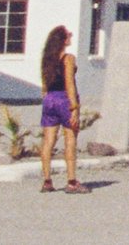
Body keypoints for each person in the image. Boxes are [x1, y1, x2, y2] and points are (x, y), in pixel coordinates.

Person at [39, 24, 88, 194]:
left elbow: (44, 85)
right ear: (63, 40)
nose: (70, 37)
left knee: (48, 141)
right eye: (68, 35)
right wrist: (74, 107)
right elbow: (69, 83)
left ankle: (47, 181)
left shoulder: (47, 59)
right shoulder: (68, 58)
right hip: (64, 99)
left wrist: (47, 98)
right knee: (70, 139)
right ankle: (72, 181)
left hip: (49, 98)